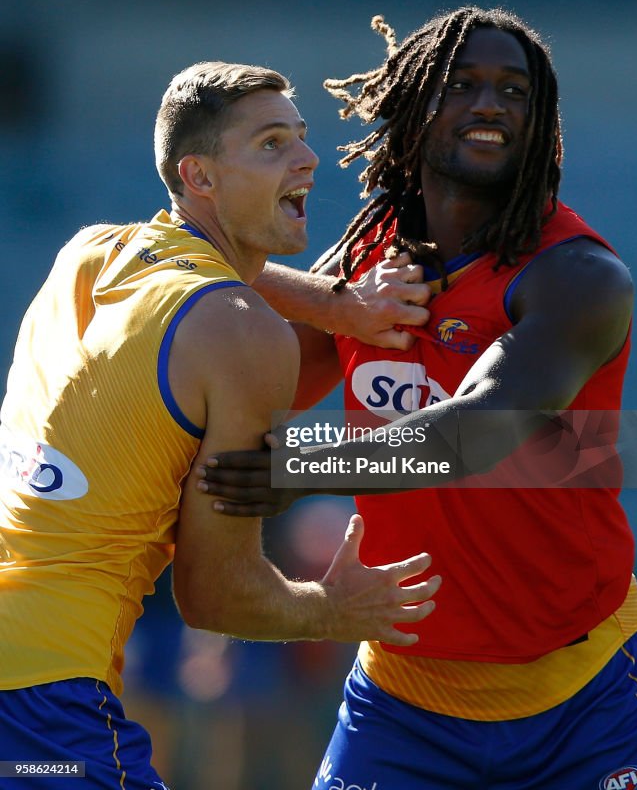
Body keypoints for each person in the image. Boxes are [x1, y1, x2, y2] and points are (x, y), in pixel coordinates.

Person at [199, 10, 637, 789]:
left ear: (540, 122)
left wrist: (294, 465)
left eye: (514, 91)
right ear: (413, 107)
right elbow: (273, 377)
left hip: (579, 699)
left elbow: (479, 432)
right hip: (403, 698)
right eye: (462, 85)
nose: (490, 104)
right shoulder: (371, 251)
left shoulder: (580, 278)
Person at [0, 61, 442, 790]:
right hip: (43, 707)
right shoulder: (238, 333)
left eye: (299, 138)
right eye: (271, 143)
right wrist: (333, 609)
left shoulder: (89, 252)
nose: (306, 158)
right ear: (199, 176)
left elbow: (219, 283)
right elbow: (216, 595)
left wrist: (338, 307)